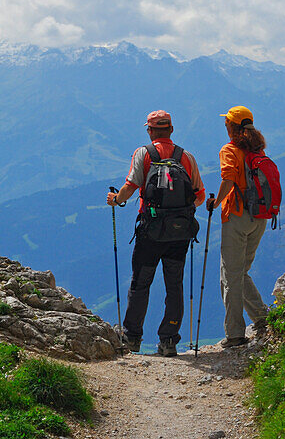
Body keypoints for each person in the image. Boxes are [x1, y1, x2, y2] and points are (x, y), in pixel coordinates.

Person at [108, 110, 205, 356]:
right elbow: (200, 196)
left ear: (150, 131)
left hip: (150, 232)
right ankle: (169, 340)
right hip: (179, 234)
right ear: (171, 129)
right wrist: (180, 214)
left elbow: (130, 187)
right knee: (175, 285)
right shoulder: (186, 157)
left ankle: (132, 338)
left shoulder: (144, 154)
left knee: (141, 283)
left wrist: (116, 200)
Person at [209, 105, 270, 348]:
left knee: (230, 276)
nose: (225, 127)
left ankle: (235, 334)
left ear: (232, 127)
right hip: (261, 216)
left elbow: (228, 179)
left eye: (227, 124)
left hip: (237, 215)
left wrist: (216, 203)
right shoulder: (259, 150)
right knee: (240, 271)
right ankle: (263, 318)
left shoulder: (230, 150)